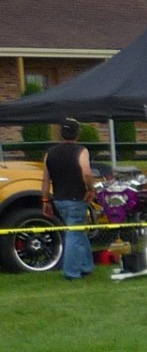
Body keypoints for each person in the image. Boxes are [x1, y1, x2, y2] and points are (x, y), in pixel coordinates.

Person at [41, 117, 92, 280]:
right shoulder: (82, 151)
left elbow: (46, 179)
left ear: (61, 134)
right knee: (74, 235)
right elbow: (86, 173)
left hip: (58, 199)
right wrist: (90, 189)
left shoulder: (50, 153)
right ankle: (71, 272)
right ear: (77, 134)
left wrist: (45, 200)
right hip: (77, 198)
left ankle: (86, 266)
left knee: (79, 232)